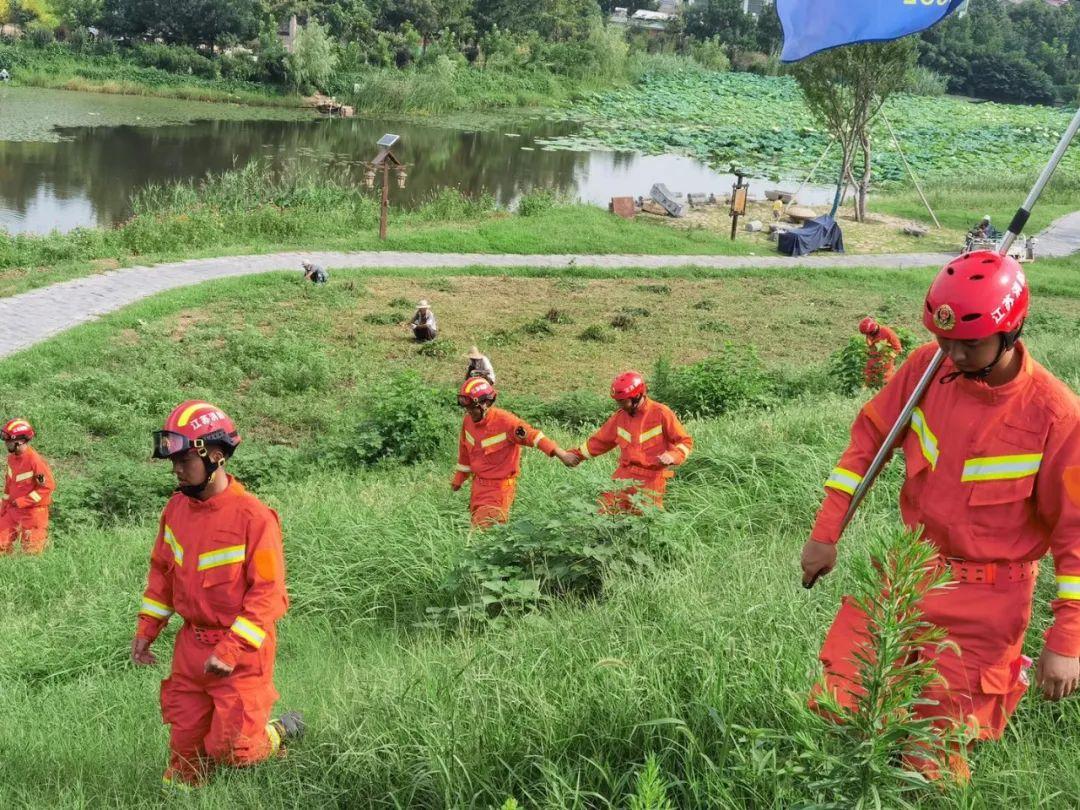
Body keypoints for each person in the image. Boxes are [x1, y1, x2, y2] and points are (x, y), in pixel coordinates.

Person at [801, 251, 1080, 782]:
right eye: (943, 337)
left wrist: (1068, 639)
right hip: (909, 573)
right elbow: (867, 446)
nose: (950, 353)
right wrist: (825, 534)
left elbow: (1076, 535)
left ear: (1011, 330)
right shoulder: (927, 368)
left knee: (929, 760)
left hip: (988, 603)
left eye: (968, 343)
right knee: (848, 707)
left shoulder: (1058, 415)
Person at [131, 401, 304, 788]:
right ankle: (184, 795)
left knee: (233, 750)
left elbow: (268, 595)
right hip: (191, 648)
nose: (176, 469)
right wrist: (146, 630)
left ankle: (277, 733)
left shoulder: (254, 518)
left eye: (184, 460)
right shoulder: (175, 510)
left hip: (239, 655)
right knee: (186, 755)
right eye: (172, 460)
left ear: (216, 455)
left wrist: (229, 651)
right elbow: (161, 575)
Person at [453, 378, 577, 528]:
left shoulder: (507, 422)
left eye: (472, 408)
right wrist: (459, 478)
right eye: (466, 409)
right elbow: (465, 452)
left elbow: (534, 436)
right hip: (477, 489)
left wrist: (562, 454)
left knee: (479, 537)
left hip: (498, 491)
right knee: (481, 535)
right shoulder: (468, 422)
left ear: (485, 404)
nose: (469, 412)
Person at [567, 371, 693, 512]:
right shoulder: (620, 417)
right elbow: (600, 442)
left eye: (622, 401)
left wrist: (673, 456)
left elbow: (685, 441)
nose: (619, 404)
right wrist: (577, 455)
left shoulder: (661, 413)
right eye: (617, 401)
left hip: (651, 479)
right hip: (624, 475)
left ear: (637, 396)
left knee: (645, 523)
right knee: (601, 510)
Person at [0, 419, 54, 555]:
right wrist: (4, 507)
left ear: (20, 442)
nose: (6, 444)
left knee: (31, 553)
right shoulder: (12, 459)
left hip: (33, 513)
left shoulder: (35, 461)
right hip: (13, 510)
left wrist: (23, 501)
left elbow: (47, 487)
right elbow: (9, 485)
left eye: (8, 441)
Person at [858, 316, 903, 389]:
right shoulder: (869, 334)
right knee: (869, 385)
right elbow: (870, 347)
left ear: (875, 327)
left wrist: (886, 359)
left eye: (870, 333)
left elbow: (898, 349)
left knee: (885, 384)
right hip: (871, 363)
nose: (868, 335)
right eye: (867, 334)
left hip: (885, 364)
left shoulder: (887, 332)